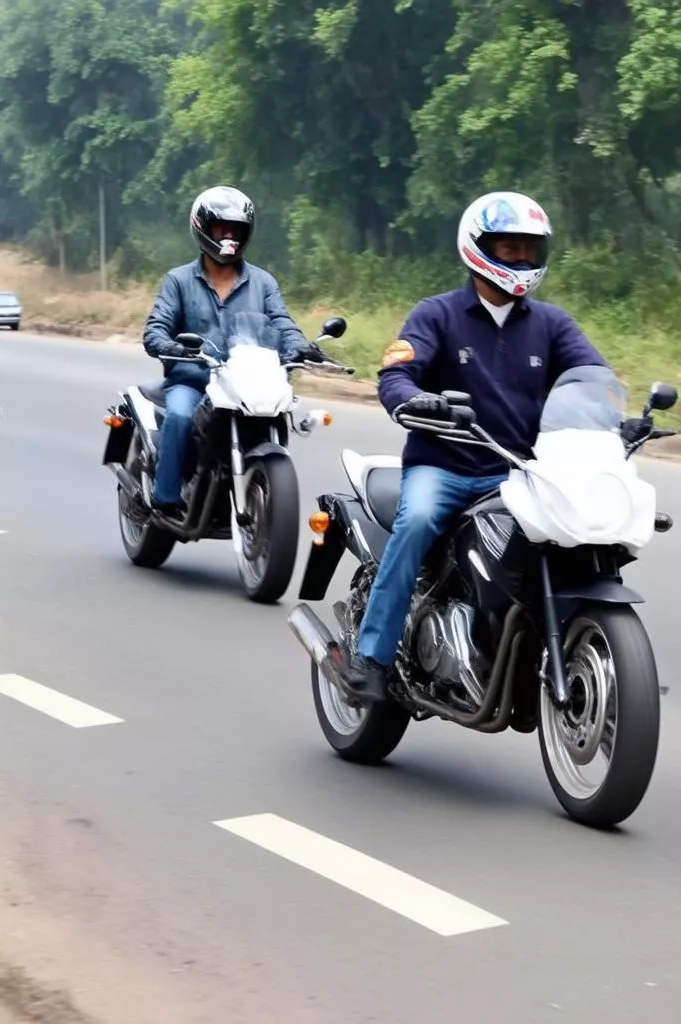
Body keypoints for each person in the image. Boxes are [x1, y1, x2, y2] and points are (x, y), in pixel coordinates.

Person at [342, 190, 609, 701]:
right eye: (509, 248)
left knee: (574, 534)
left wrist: (614, 419)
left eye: (529, 249)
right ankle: (371, 659)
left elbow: (591, 375)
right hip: (444, 466)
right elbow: (396, 374)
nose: (521, 260)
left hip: (518, 472)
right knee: (416, 522)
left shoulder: (552, 324)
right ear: (478, 247)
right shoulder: (437, 315)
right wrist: (417, 400)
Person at [142, 185, 325, 517]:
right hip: (193, 379)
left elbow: (282, 321)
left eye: (236, 230)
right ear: (203, 229)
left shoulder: (263, 282)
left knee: (276, 412)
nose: (229, 236)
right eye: (221, 229)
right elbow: (157, 326)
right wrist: (167, 344)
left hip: (246, 381)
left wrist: (301, 347)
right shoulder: (178, 280)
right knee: (181, 416)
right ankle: (166, 497)